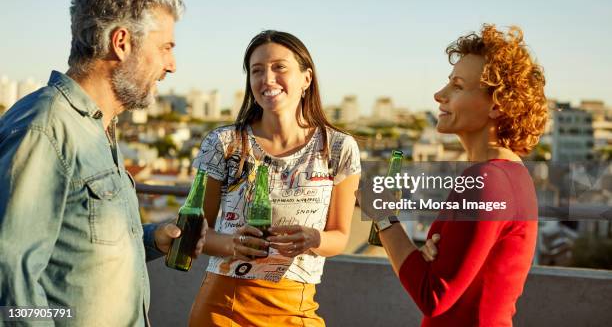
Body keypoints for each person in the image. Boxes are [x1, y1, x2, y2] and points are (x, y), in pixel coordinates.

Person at [0, 0, 206, 326]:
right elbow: (10, 283)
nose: (171, 65)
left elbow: (77, 255)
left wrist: (152, 240)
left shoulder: (97, 128)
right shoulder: (46, 127)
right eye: (165, 48)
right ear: (122, 42)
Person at [360, 24, 547, 326]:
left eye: (457, 86)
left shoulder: (489, 181)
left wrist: (381, 216)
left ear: (498, 105)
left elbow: (433, 296)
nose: (439, 95)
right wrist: (427, 257)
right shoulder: (507, 175)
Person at [188, 30, 361, 326]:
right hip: (222, 307)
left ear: (306, 78)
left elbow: (340, 236)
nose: (267, 79)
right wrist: (232, 245)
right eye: (257, 71)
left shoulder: (339, 147)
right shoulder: (223, 143)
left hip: (296, 308)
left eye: (279, 67)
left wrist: (313, 238)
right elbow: (195, 229)